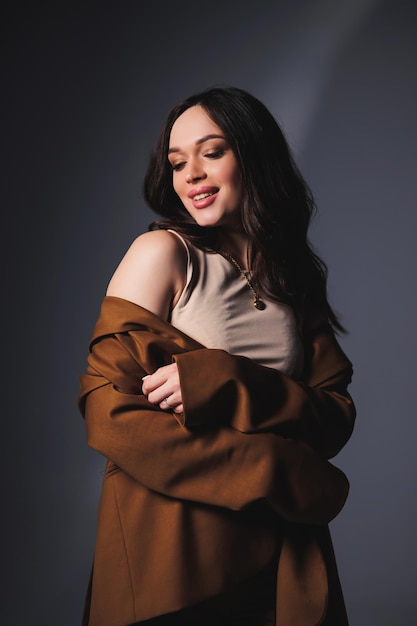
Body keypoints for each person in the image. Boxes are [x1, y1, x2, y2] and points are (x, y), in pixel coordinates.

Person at [78, 86, 356, 626]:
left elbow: (332, 418)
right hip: (173, 560)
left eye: (213, 151)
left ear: (254, 155)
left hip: (283, 561)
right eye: (177, 162)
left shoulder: (291, 279)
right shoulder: (161, 253)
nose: (191, 176)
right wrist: (276, 470)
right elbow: (107, 413)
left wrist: (228, 379)